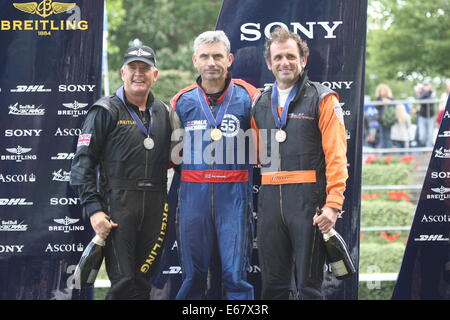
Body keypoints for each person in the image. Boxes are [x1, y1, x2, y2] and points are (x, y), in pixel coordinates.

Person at [70, 45, 179, 299]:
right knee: (123, 282)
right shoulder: (105, 110)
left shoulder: (163, 112)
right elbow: (82, 165)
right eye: (133, 68)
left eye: (144, 68)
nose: (138, 74)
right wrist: (95, 210)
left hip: (156, 206)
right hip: (118, 207)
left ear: (155, 75)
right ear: (122, 72)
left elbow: (177, 160)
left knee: (142, 282)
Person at [251, 27, 348, 299]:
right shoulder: (259, 103)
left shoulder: (323, 97)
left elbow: (337, 155)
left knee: (309, 287)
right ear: (269, 63)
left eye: (291, 56)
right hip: (269, 202)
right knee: (273, 288)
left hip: (310, 203)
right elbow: (258, 155)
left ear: (303, 60)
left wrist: (333, 205)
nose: (285, 62)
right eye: (278, 57)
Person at [170, 30, 259, 300]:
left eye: (218, 56)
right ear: (195, 60)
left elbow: (262, 149)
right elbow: (174, 156)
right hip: (193, 197)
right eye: (205, 56)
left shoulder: (248, 97)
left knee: (235, 276)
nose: (212, 62)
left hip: (234, 197)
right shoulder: (181, 101)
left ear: (229, 59)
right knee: (194, 276)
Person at [416, 81, 436, 147]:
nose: (426, 86)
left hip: (430, 116)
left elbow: (432, 100)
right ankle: (423, 147)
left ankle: (428, 148)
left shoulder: (433, 92)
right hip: (422, 116)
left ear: (430, 86)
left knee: (430, 133)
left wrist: (427, 94)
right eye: (425, 85)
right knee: (422, 134)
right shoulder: (421, 92)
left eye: (427, 85)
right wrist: (426, 93)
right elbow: (420, 100)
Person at [375, 84, 395, 148]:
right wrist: (382, 102)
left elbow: (394, 107)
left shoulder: (391, 98)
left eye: (384, 90)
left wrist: (389, 102)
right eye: (381, 90)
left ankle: (388, 151)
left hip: (389, 119)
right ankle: (383, 151)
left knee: (388, 136)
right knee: (382, 135)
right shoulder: (378, 99)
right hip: (381, 120)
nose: (382, 92)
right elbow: (377, 107)